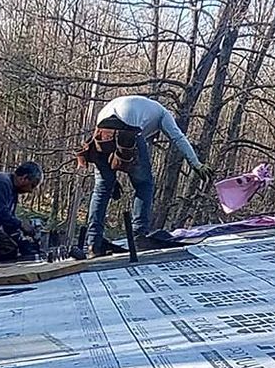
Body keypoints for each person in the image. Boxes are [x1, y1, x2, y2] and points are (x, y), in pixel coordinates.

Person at [78, 95, 213, 256]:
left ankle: (94, 243)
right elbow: (177, 137)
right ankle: (139, 235)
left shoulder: (142, 107)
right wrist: (195, 163)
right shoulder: (163, 113)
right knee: (144, 184)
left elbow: (111, 144)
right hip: (128, 129)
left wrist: (111, 180)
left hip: (101, 133)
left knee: (101, 189)